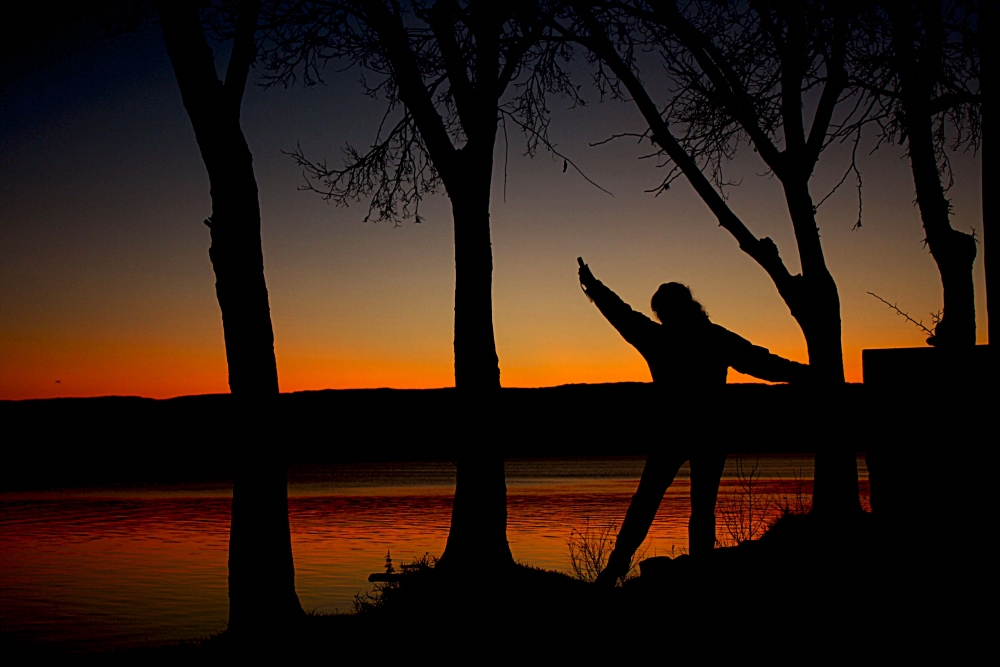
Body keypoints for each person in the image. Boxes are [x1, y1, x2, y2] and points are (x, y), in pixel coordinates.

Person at [576, 257, 809, 586]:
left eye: (665, 310)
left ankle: (622, 569)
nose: (665, 316)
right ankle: (643, 569)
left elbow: (760, 361)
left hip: (685, 432)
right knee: (684, 504)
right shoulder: (706, 337)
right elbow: (760, 361)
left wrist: (593, 286)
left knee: (661, 502)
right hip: (700, 431)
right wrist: (805, 373)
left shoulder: (665, 338)